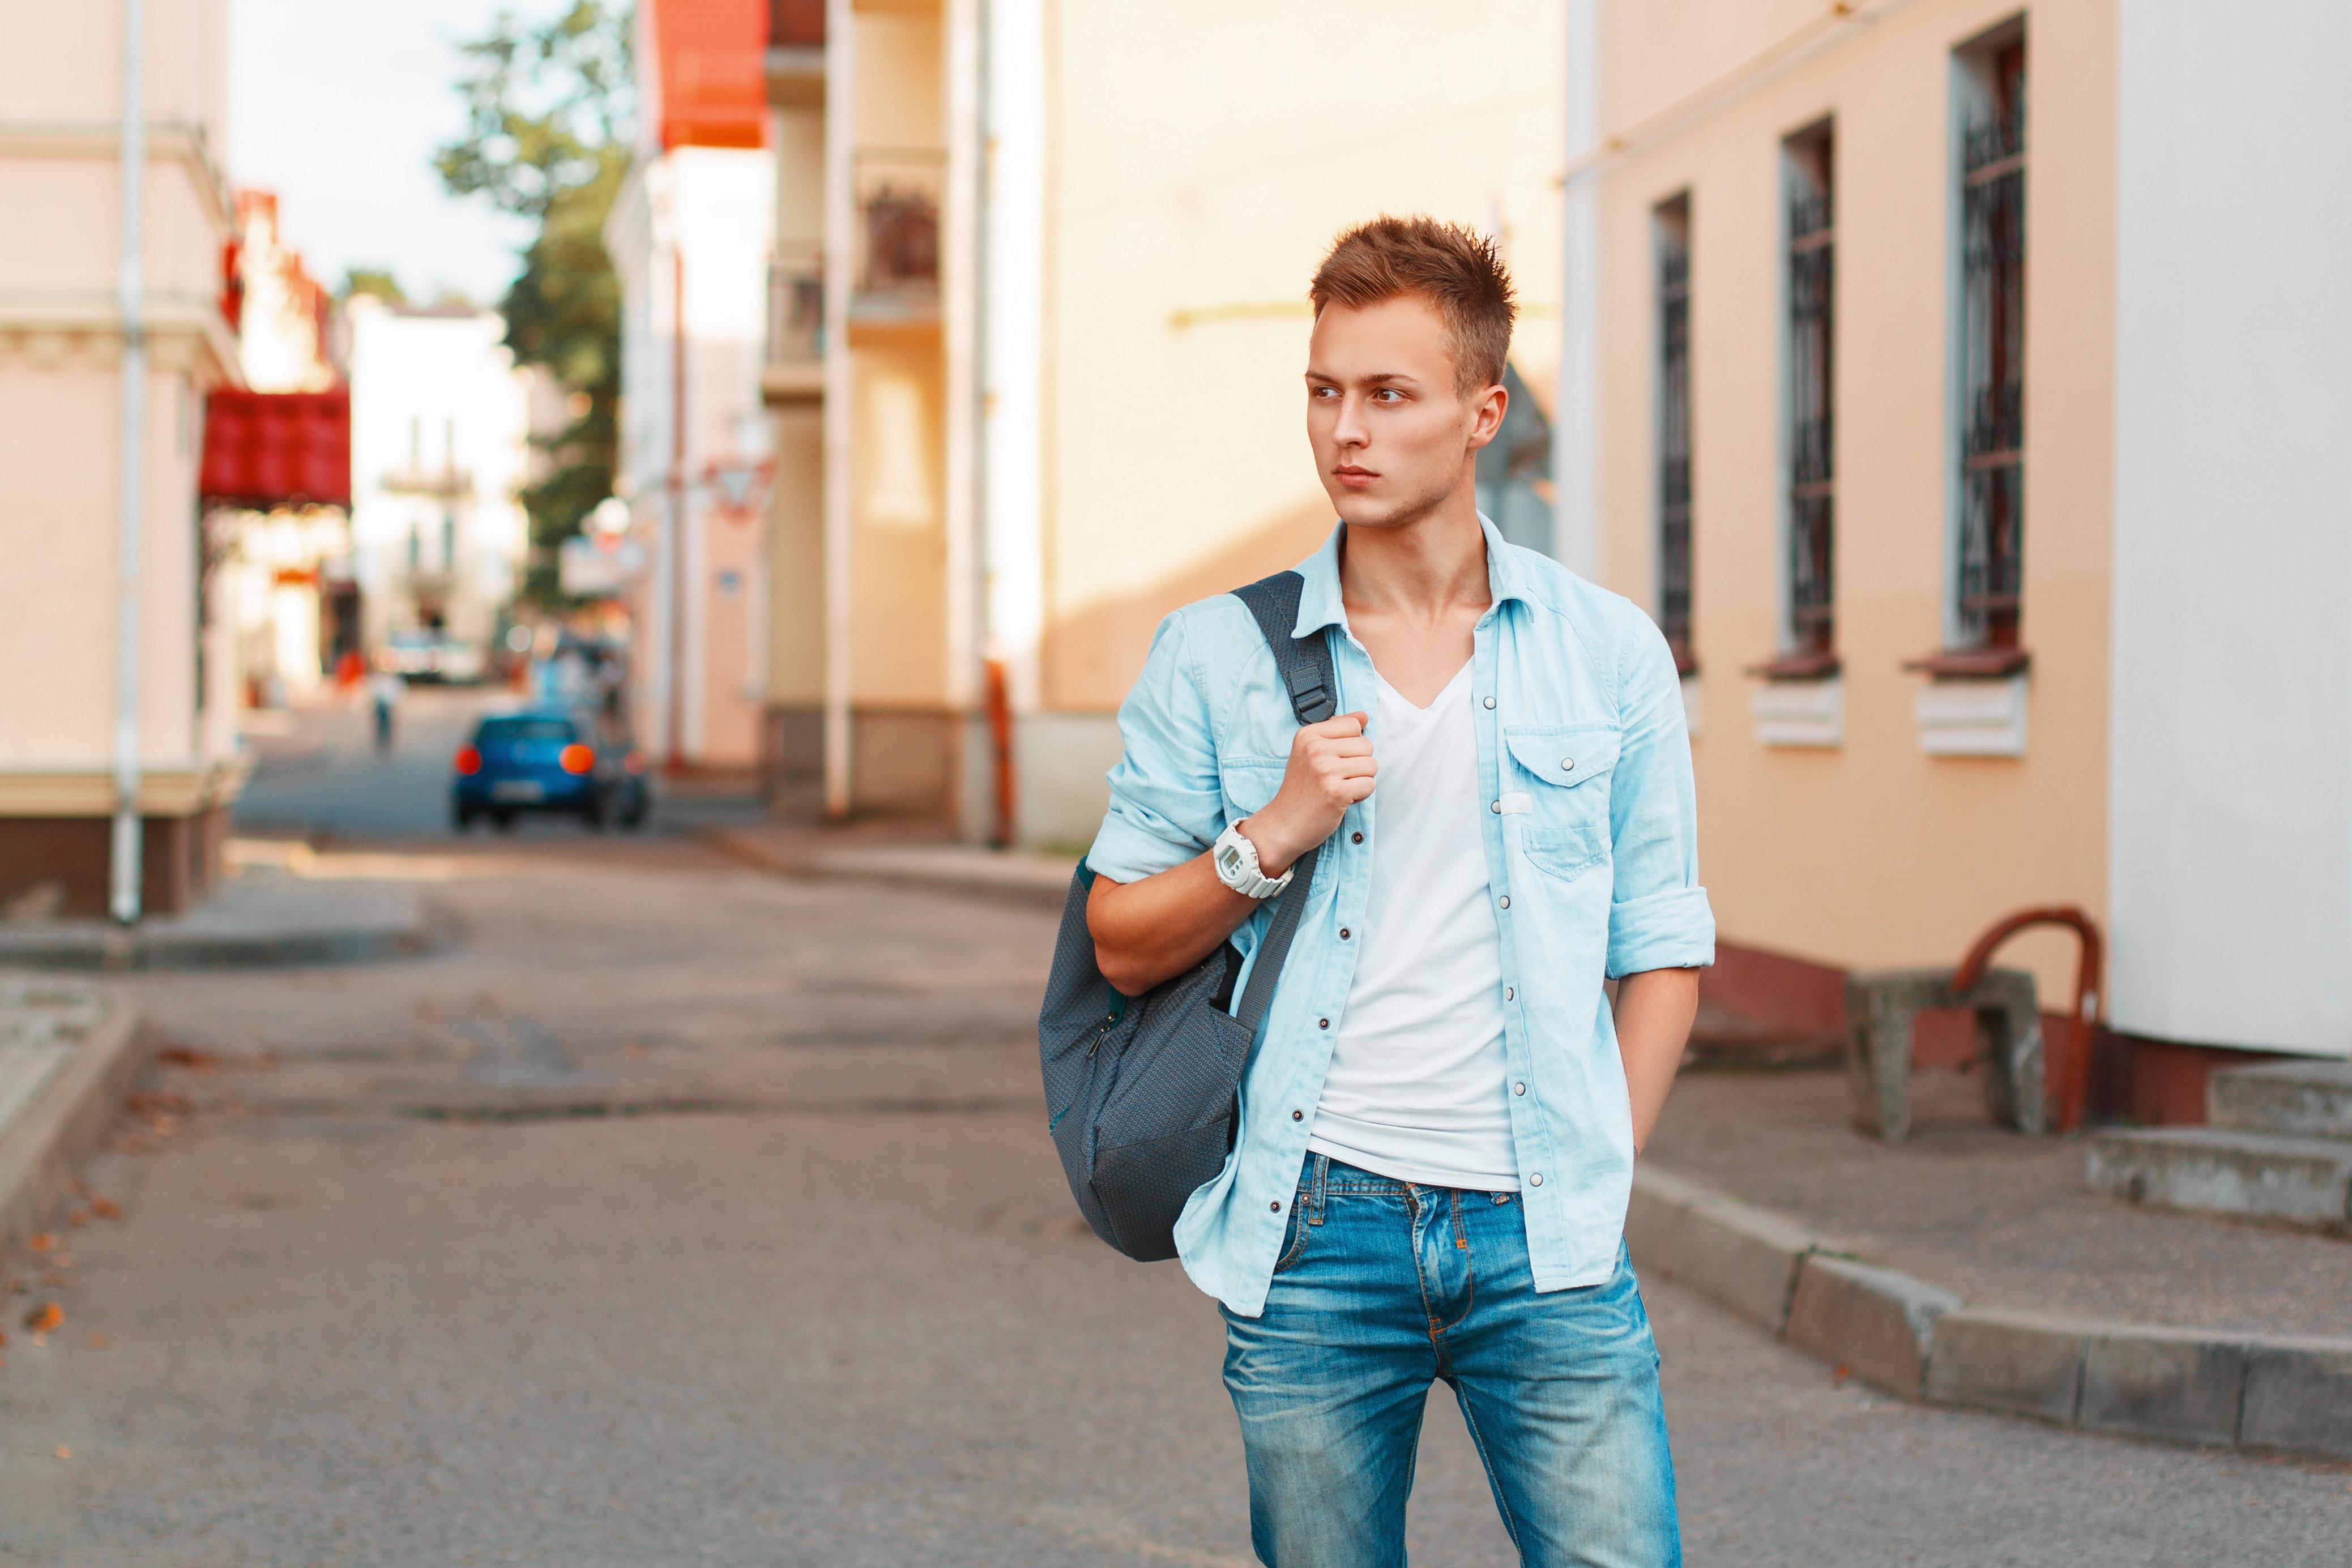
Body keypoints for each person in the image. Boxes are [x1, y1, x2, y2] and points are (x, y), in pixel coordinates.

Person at [1083, 216, 1712, 1567]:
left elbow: (1658, 937)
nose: (1343, 431)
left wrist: (1604, 1159)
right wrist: (1271, 833)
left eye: (1387, 395)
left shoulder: (1605, 651)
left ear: (1481, 413)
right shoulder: (1214, 657)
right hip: (1316, 1228)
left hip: (1542, 1226)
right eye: (1323, 391)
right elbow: (1119, 943)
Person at [367, 665, 405, 755]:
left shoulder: (392, 680)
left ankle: (386, 742)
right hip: (381, 706)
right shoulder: (378, 679)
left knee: (387, 725)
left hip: (387, 706)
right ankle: (381, 741)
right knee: (381, 724)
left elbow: (397, 694)